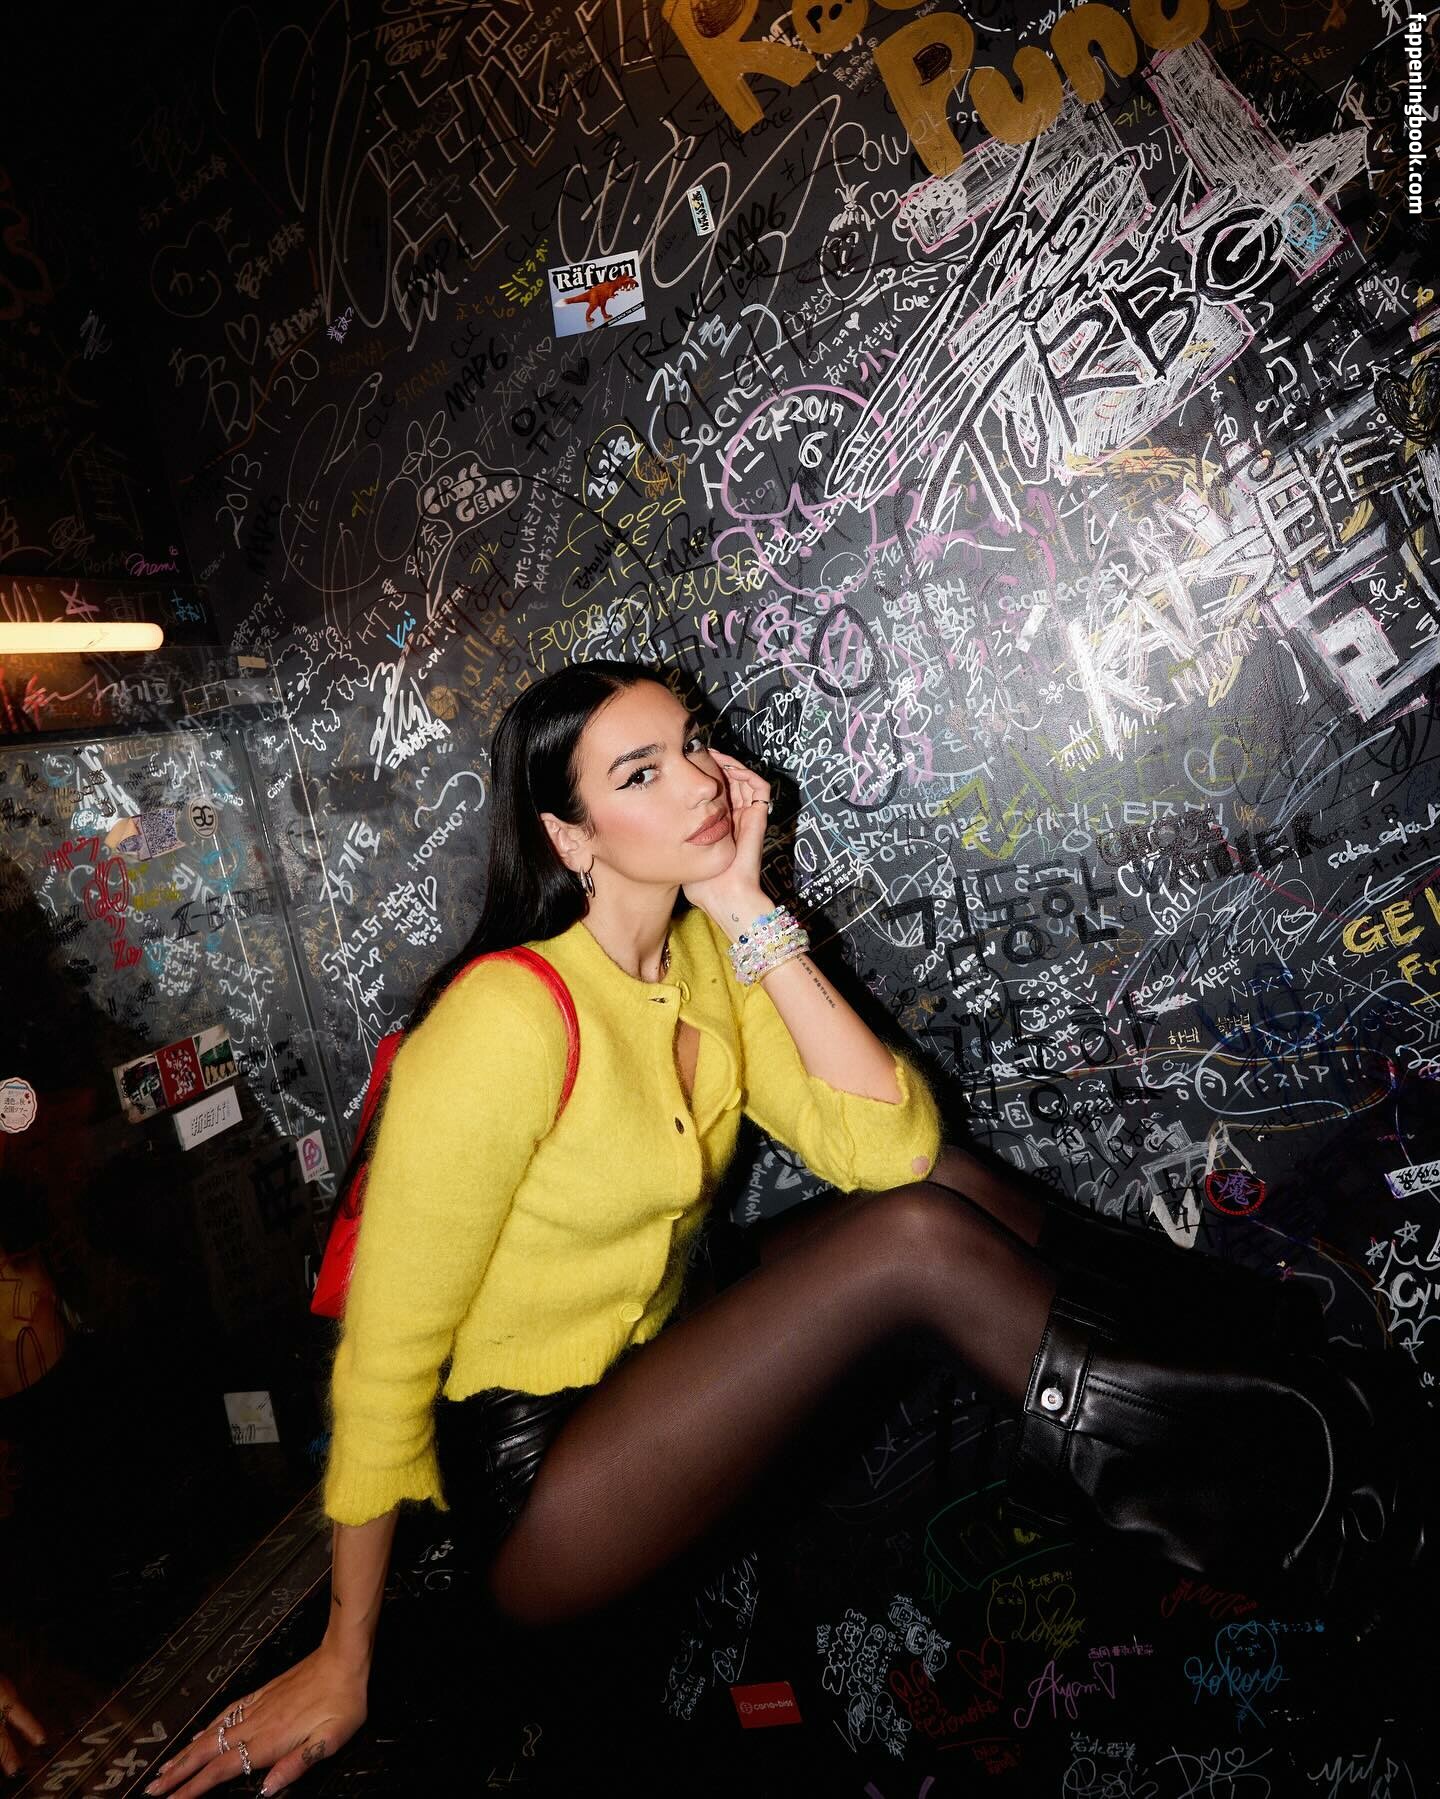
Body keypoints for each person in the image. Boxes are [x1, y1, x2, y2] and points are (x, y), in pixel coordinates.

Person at [145, 661, 1421, 1799]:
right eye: (640, 772)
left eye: (693, 744)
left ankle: (1290, 1378)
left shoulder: (705, 958)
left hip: (654, 1360)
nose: (698, 779)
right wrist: (345, 1652)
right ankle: (1312, 1503)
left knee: (943, 1189)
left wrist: (746, 906)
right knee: (910, 1245)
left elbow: (891, 1144)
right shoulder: (504, 1018)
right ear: (569, 836)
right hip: (538, 1486)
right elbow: (382, 1358)